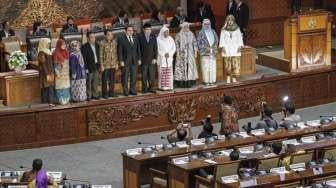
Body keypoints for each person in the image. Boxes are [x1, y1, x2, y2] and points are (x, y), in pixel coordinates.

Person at [219, 15, 244, 84]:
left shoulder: (237, 28)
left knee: (235, 64)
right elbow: (222, 39)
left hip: (235, 48)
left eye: (231, 20)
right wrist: (223, 47)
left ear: (233, 21)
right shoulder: (223, 29)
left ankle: (234, 77)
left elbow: (240, 38)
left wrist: (239, 46)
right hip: (227, 48)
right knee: (227, 64)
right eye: (229, 20)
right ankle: (228, 77)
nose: (230, 22)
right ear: (227, 21)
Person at [118, 25, 141, 96]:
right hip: (125, 61)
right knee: (125, 77)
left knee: (134, 76)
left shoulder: (135, 38)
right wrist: (121, 60)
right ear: (125, 31)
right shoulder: (121, 39)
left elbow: (138, 49)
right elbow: (120, 51)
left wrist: (139, 59)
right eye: (129, 30)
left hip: (134, 61)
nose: (131, 32)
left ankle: (132, 90)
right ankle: (125, 91)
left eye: (132, 30)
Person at [174, 22, 198, 88]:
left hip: (190, 54)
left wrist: (195, 51)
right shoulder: (179, 35)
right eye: (185, 27)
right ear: (182, 27)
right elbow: (176, 44)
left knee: (189, 67)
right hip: (182, 54)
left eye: (187, 27)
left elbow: (195, 43)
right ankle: (182, 83)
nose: (186, 28)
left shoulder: (191, 34)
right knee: (182, 67)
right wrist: (178, 52)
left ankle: (189, 81)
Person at [196, 19, 218, 86]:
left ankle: (212, 80)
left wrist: (214, 47)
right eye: (205, 24)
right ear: (203, 25)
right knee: (206, 67)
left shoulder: (213, 31)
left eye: (208, 24)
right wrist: (206, 48)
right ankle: (206, 81)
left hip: (212, 52)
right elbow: (198, 43)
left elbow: (217, 40)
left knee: (212, 66)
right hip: (205, 53)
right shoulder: (200, 33)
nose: (207, 25)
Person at [138, 23, 158, 93]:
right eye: (147, 29)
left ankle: (151, 88)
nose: (149, 31)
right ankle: (144, 89)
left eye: (150, 29)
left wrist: (155, 58)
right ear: (144, 30)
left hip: (152, 60)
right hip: (143, 60)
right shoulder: (140, 37)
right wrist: (139, 59)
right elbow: (139, 50)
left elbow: (155, 48)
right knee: (144, 75)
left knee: (151, 75)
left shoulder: (153, 36)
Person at [81, 32, 100, 100]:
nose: (93, 38)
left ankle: (95, 94)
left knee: (95, 81)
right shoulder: (85, 46)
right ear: (88, 38)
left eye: (94, 37)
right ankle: (88, 95)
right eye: (91, 37)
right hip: (89, 67)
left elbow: (98, 55)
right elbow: (84, 59)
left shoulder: (97, 45)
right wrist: (85, 68)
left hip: (96, 65)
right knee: (88, 82)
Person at [99, 30, 118, 98]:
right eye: (108, 34)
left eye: (111, 34)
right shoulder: (102, 43)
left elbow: (115, 53)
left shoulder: (114, 42)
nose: (110, 36)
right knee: (104, 81)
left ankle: (111, 93)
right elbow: (100, 55)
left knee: (112, 80)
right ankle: (105, 94)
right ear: (105, 35)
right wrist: (101, 65)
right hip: (105, 65)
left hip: (112, 64)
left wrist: (116, 63)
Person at [157, 25, 176, 91]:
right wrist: (163, 54)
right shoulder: (158, 39)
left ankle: (169, 86)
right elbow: (157, 49)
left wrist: (170, 54)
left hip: (169, 58)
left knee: (169, 72)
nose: (167, 33)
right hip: (162, 58)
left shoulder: (171, 39)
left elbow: (174, 48)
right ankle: (162, 87)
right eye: (165, 32)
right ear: (162, 32)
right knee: (162, 72)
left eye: (168, 32)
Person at [37, 38, 55, 106]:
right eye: (47, 43)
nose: (49, 45)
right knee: (47, 88)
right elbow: (44, 64)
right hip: (45, 73)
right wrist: (47, 74)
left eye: (49, 43)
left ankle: (49, 102)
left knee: (50, 87)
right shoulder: (41, 52)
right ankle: (49, 102)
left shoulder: (48, 51)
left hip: (50, 71)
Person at [53, 39, 70, 105]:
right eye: (62, 44)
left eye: (64, 44)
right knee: (61, 86)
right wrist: (57, 72)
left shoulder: (66, 52)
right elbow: (55, 65)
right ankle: (60, 100)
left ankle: (67, 99)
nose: (64, 46)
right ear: (59, 45)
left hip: (66, 73)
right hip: (60, 73)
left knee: (66, 86)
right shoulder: (56, 53)